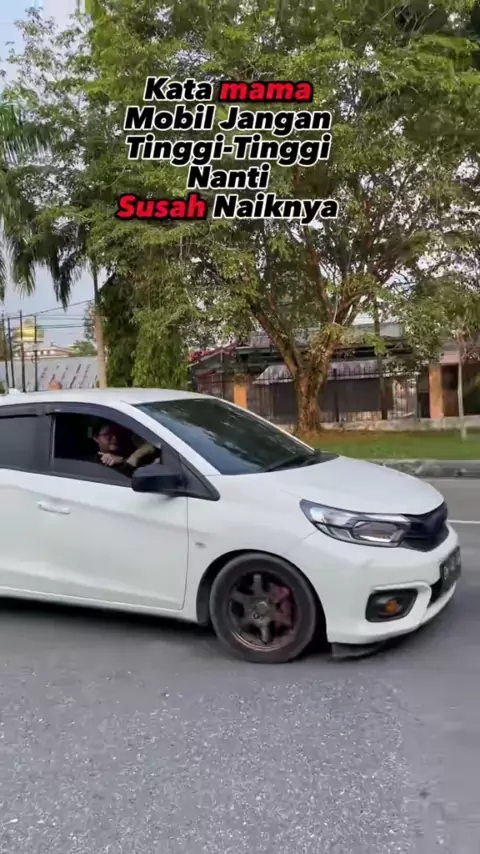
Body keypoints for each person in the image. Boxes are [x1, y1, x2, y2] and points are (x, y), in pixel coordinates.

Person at [92, 423, 159, 473]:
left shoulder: (125, 451)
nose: (114, 438)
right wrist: (134, 457)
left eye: (116, 433)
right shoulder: (97, 462)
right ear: (96, 438)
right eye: (108, 435)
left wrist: (123, 460)